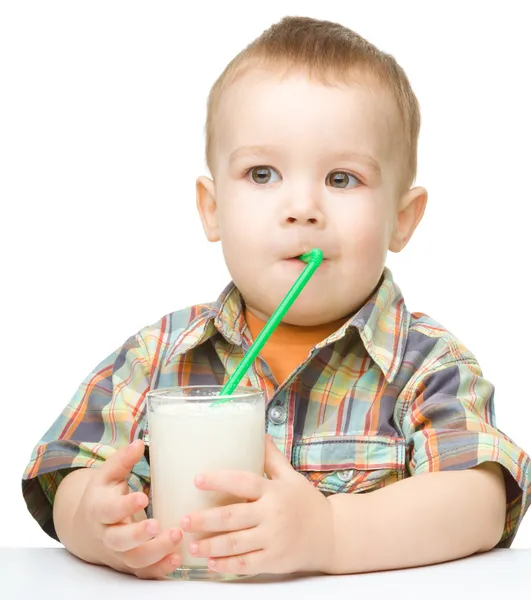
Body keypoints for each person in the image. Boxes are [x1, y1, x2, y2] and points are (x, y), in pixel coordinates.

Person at [22, 15, 530, 579]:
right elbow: (65, 471)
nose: (302, 207)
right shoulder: (157, 356)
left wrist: (332, 534)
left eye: (342, 179)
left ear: (402, 220)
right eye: (262, 173)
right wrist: (95, 523)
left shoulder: (428, 366)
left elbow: (480, 503)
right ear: (212, 209)